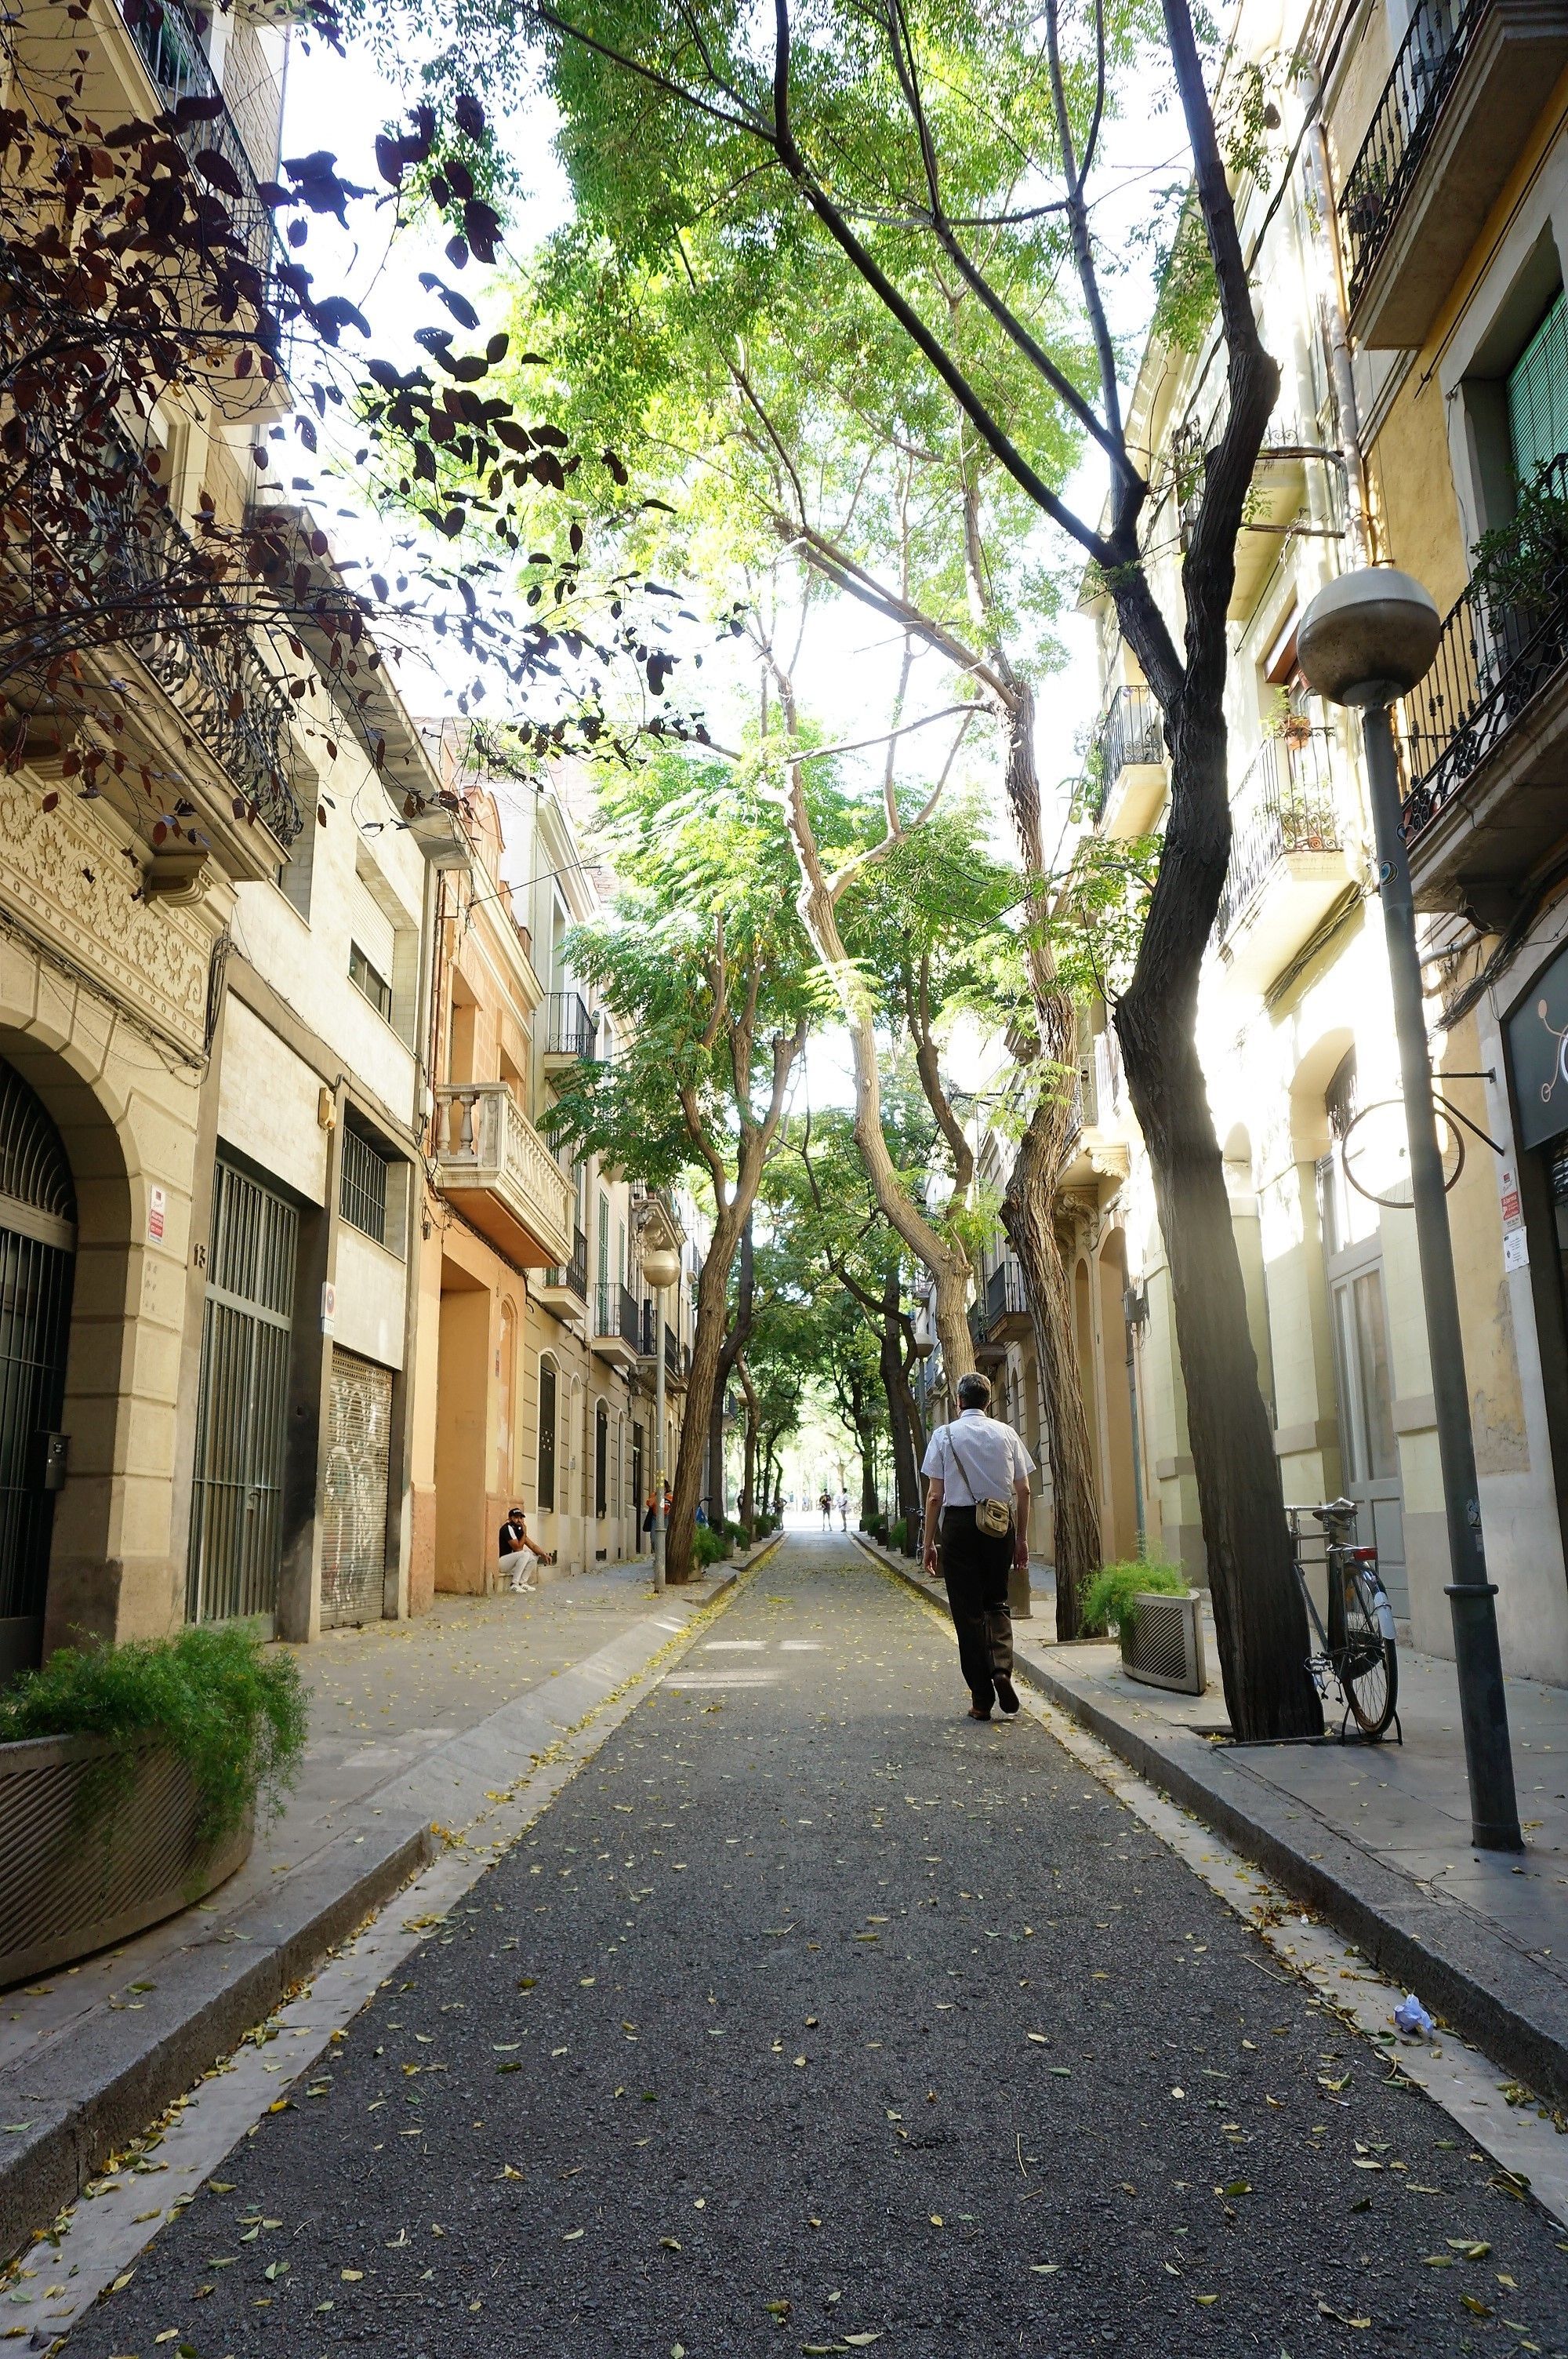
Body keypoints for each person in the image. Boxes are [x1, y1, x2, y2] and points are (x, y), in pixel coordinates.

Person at [920, 1372, 1034, 1721]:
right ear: (988, 1403)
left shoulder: (944, 1435)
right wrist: (1021, 1539)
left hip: (958, 1527)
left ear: (958, 1402)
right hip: (999, 1523)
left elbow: (935, 1495)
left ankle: (981, 1700)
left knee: (967, 1614)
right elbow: (1025, 1490)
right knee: (997, 1600)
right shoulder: (1007, 1434)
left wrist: (929, 1543)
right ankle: (1002, 1668)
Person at [499, 1503, 550, 1595]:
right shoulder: (507, 1529)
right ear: (510, 1519)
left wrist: (544, 1554)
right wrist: (524, 1532)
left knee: (534, 1555)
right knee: (524, 1553)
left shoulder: (519, 1530)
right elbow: (518, 1548)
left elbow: (533, 1546)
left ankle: (523, 1582)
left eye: (521, 1518)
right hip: (502, 1563)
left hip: (512, 1564)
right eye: (516, 1518)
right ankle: (514, 1584)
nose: (519, 1520)